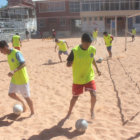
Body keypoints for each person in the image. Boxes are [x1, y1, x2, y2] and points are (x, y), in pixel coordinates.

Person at [66, 33, 101, 119]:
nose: (88, 46)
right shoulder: (75, 51)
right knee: (75, 97)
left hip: (89, 76)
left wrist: (97, 69)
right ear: (82, 42)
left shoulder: (92, 49)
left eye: (89, 44)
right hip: (78, 79)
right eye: (86, 44)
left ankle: (92, 110)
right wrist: (70, 63)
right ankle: (69, 112)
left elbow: (92, 58)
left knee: (94, 95)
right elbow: (68, 64)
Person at [0, 40, 34, 116]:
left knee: (27, 97)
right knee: (11, 94)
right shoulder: (8, 55)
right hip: (14, 79)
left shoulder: (16, 53)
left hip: (22, 79)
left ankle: (32, 113)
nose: (1, 52)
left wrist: (13, 71)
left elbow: (24, 63)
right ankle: (22, 103)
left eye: (1, 50)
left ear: (5, 47)